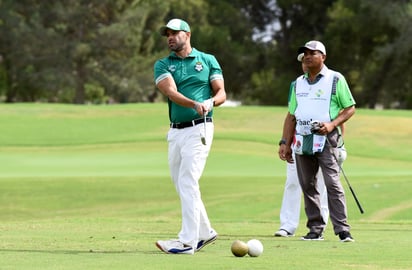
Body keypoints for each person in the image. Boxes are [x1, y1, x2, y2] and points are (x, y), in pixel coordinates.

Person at [153, 18, 227, 254]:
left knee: (188, 180)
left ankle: (187, 242)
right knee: (182, 183)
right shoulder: (163, 64)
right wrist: (195, 103)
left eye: (175, 33)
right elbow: (171, 92)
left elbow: (221, 93)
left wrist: (210, 102)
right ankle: (205, 232)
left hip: (200, 128)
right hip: (176, 131)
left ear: (187, 34)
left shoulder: (207, 60)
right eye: (167, 34)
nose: (170, 38)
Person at [278, 40, 356, 242]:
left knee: (332, 184)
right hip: (303, 140)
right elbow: (291, 115)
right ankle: (315, 229)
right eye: (305, 53)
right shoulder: (298, 83)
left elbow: (350, 108)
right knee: (308, 186)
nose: (308, 56)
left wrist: (332, 125)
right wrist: (285, 143)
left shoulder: (335, 79)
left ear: (324, 57)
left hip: (326, 138)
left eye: (313, 52)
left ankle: (343, 230)